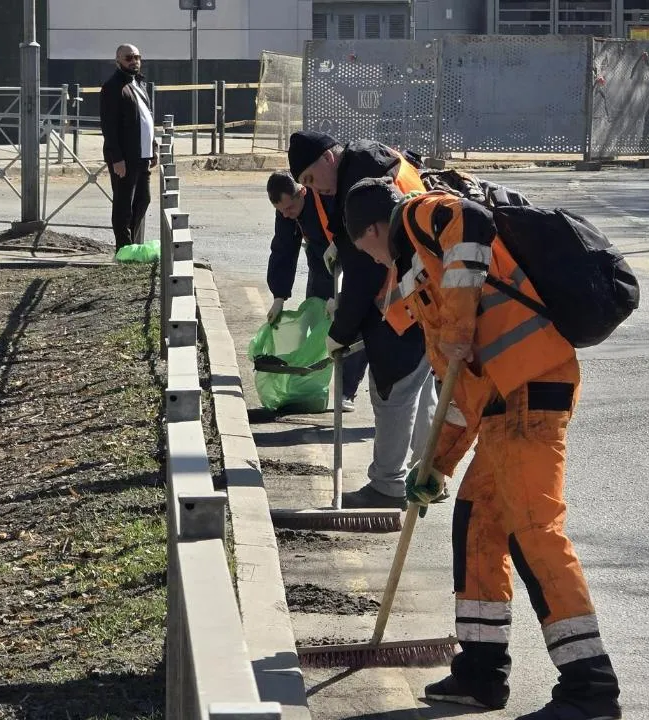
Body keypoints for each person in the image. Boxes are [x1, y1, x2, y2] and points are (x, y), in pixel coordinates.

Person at [341, 177, 623, 720]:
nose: (372, 260)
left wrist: (460, 321)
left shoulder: (419, 217)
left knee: (533, 530)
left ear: (372, 230)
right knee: (474, 525)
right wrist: (436, 464)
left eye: (364, 248)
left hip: (530, 389)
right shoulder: (420, 276)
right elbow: (460, 391)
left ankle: (590, 685)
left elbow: (469, 219)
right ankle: (480, 672)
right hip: (501, 402)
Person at [286, 130, 435, 510]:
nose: (312, 189)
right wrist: (341, 243)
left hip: (404, 301)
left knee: (393, 392)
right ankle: (431, 470)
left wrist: (341, 331)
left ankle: (388, 485)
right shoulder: (366, 162)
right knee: (419, 386)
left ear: (327, 159)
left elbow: (365, 270)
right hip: (428, 291)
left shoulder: (360, 186)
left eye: (308, 179)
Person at [264, 170, 367, 410]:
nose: (286, 215)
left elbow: (354, 239)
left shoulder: (326, 196)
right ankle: (313, 383)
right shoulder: (286, 212)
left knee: (351, 325)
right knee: (319, 324)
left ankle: (346, 390)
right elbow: (283, 249)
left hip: (352, 260)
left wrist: (340, 294)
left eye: (290, 208)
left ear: (302, 192)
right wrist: (279, 296)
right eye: (281, 211)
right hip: (321, 264)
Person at [99, 43, 158, 253]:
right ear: (118, 61)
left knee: (144, 199)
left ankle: (132, 244)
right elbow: (109, 126)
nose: (134, 61)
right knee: (124, 204)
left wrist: (154, 148)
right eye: (129, 58)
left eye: (137, 57)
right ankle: (123, 249)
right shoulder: (113, 87)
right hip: (125, 157)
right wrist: (117, 158)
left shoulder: (139, 84)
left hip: (143, 155)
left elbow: (146, 118)